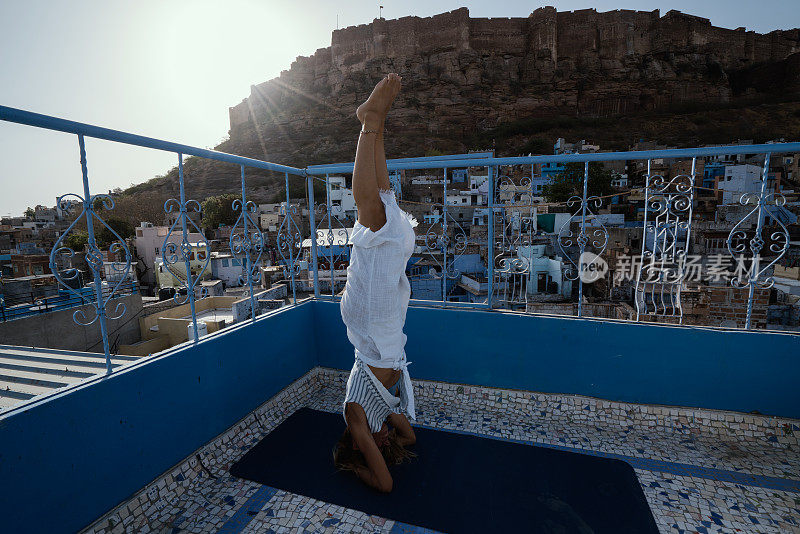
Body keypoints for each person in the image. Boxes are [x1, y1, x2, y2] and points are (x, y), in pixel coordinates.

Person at [333, 73, 418, 493]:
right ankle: (375, 122)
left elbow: (384, 487)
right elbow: (410, 438)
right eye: (383, 443)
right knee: (390, 214)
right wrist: (392, 434)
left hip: (369, 323)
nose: (386, 440)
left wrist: (357, 467)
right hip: (385, 333)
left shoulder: (355, 418)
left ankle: (370, 122)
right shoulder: (382, 417)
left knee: (371, 213)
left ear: (358, 445)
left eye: (376, 445)